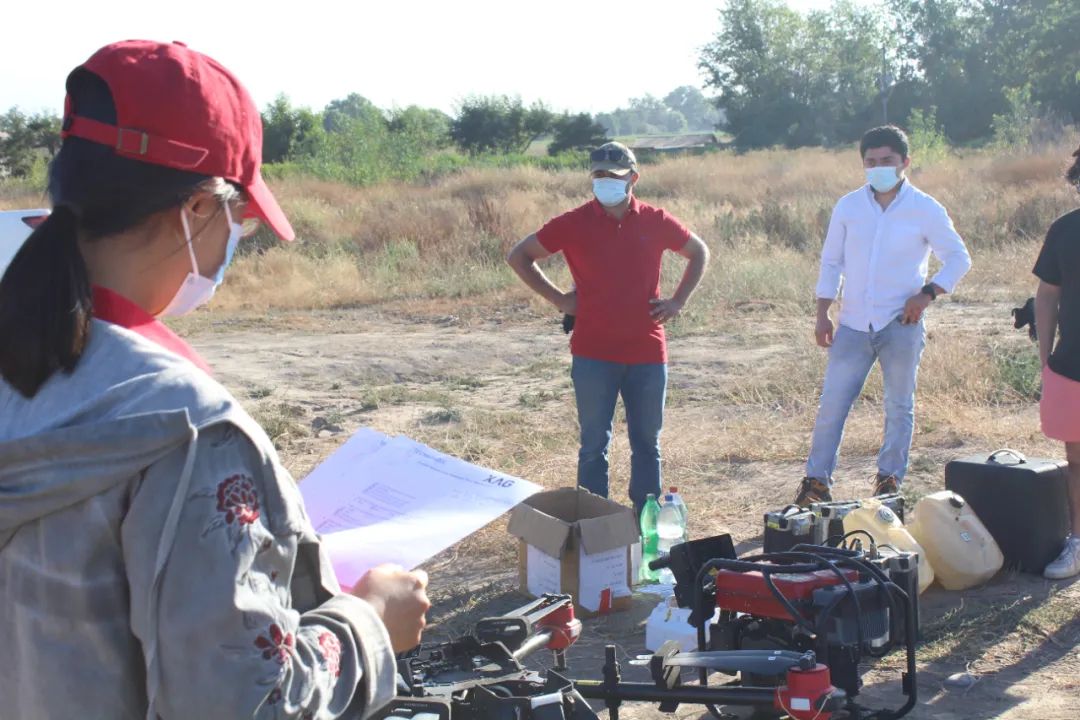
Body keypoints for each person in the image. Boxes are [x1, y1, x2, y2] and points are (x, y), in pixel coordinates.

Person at [0, 41, 429, 719]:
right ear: (199, 207)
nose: (237, 240)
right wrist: (370, 623)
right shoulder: (188, 426)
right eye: (239, 219)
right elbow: (244, 704)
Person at [506, 142, 709, 516]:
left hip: (647, 352)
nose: (606, 182)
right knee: (593, 444)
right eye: (598, 175)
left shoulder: (656, 220)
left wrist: (678, 301)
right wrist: (560, 300)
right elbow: (519, 256)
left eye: (614, 176)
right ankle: (593, 523)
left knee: (647, 444)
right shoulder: (573, 222)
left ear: (633, 178)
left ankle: (643, 522)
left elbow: (698, 252)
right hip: (593, 353)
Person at [794, 125, 972, 506]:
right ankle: (816, 484)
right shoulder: (849, 206)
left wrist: (926, 295)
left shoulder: (924, 208)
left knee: (899, 406)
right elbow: (832, 261)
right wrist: (823, 313)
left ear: (905, 162)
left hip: (900, 323)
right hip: (854, 323)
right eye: (871, 162)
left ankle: (889, 484)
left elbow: (958, 258)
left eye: (887, 161)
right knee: (832, 406)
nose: (878, 168)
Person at [1034, 143, 1080, 580]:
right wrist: (1045, 357)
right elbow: (1047, 294)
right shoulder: (1065, 231)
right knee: (1076, 458)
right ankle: (1078, 543)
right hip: (1072, 364)